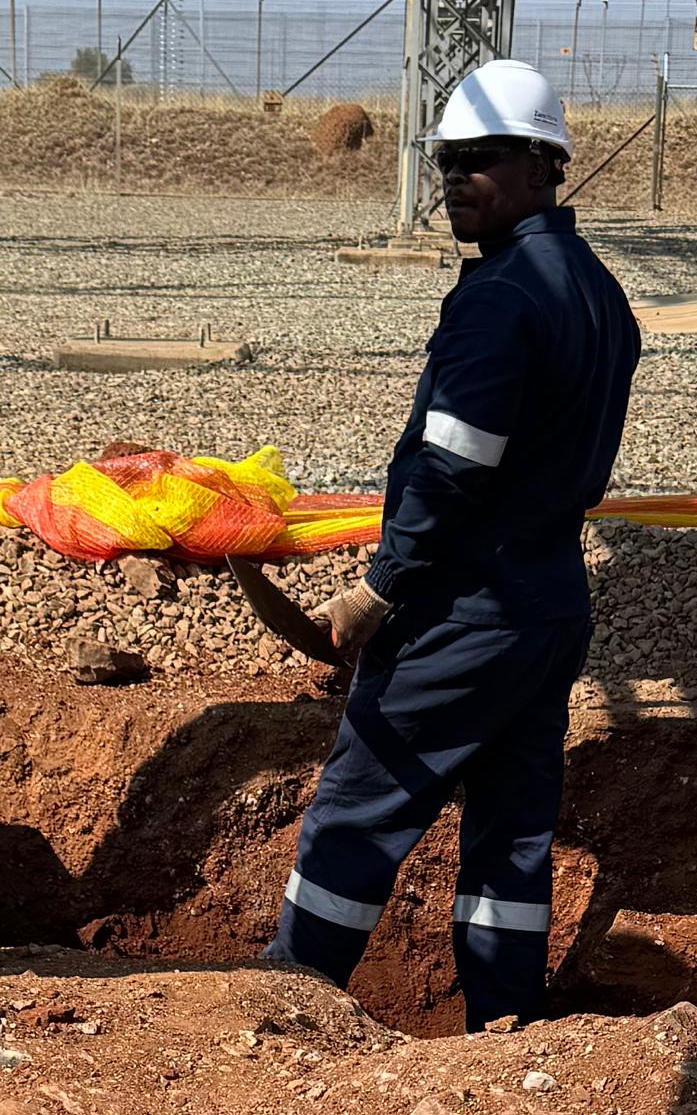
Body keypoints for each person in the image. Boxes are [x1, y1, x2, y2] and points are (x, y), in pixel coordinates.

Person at [263, 60, 640, 1031]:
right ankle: (503, 1032)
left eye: (481, 158)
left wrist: (380, 587)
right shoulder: (601, 294)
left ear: (545, 164)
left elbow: (452, 470)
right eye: (446, 158)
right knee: (511, 840)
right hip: (550, 606)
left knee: (359, 809)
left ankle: (283, 1012)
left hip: (467, 609)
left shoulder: (502, 298)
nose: (455, 175)